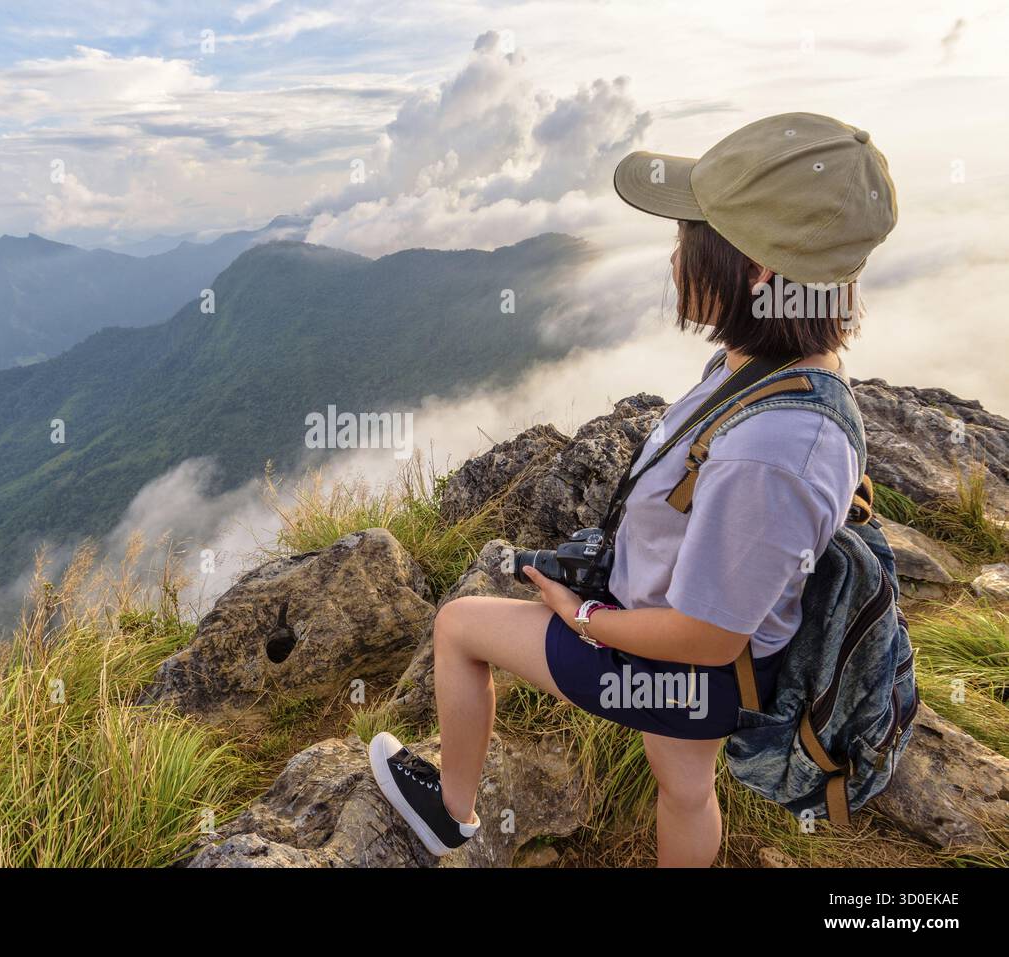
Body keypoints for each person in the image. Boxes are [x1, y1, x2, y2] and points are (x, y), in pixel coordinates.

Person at [368, 112, 899, 867]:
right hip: (710, 668)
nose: (677, 260)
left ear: (757, 272)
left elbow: (707, 636)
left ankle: (448, 814)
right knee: (682, 781)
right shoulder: (776, 367)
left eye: (693, 241)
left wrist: (582, 613)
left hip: (674, 666)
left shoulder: (773, 449)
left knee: (459, 626)